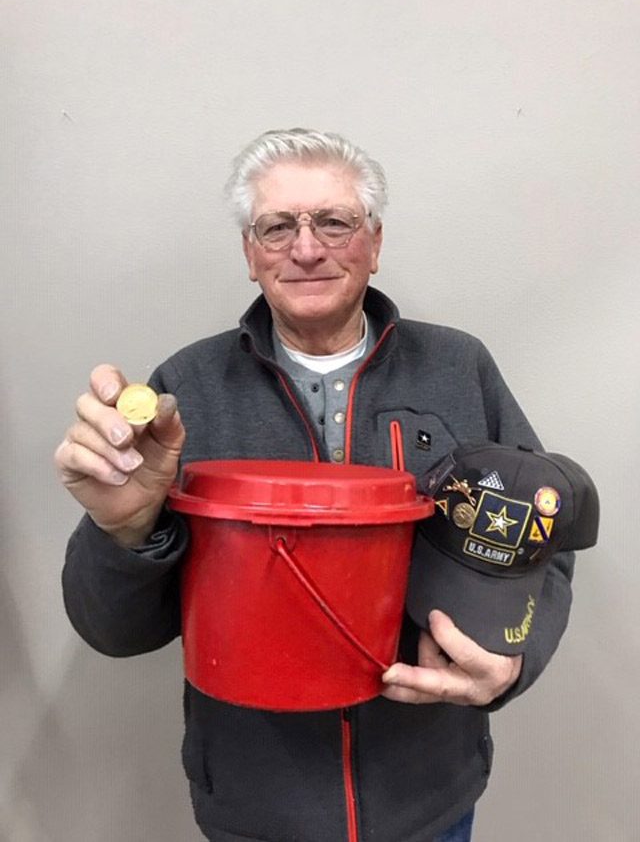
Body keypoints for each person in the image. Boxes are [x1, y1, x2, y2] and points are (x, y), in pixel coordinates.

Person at [55, 128, 574, 842]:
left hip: (429, 796)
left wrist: (515, 659)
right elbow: (114, 631)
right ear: (249, 252)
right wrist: (122, 531)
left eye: (334, 221)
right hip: (256, 807)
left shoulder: (458, 368)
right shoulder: (188, 388)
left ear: (376, 240)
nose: (306, 248)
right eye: (277, 226)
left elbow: (544, 540)